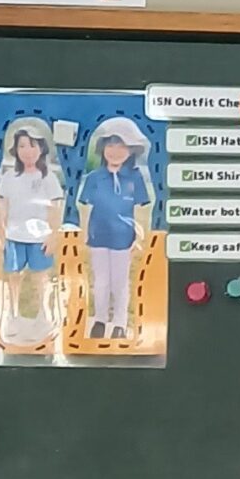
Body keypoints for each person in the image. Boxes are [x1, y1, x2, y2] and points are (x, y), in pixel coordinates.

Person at [76, 122, 153, 340]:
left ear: (130, 151)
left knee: (120, 280)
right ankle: (100, 319)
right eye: (111, 146)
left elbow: (140, 208)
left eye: (121, 147)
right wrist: (83, 233)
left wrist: (140, 237)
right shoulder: (94, 178)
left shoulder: (135, 178)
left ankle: (119, 322)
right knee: (101, 281)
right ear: (103, 149)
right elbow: (85, 206)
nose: (115, 152)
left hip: (123, 237)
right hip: (98, 235)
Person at [0, 125, 64, 339]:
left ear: (41, 148)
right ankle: (13, 315)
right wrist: (1, 234)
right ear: (15, 149)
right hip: (14, 236)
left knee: (41, 277)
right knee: (14, 276)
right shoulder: (9, 177)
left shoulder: (48, 177)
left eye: (32, 145)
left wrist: (53, 235)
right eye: (22, 146)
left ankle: (43, 315)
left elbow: (55, 207)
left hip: (39, 238)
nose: (27, 151)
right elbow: (2, 206)